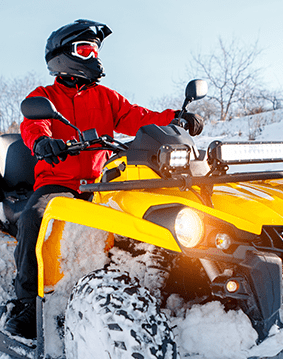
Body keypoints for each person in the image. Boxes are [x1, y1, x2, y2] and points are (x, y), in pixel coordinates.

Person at [4, 19, 204, 339]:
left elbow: (140, 118)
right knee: (34, 218)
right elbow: (34, 125)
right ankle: (27, 304)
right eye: (85, 49)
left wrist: (176, 119)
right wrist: (42, 143)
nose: (93, 56)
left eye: (95, 50)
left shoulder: (106, 97)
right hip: (60, 183)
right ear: (62, 56)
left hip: (103, 183)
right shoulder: (44, 96)